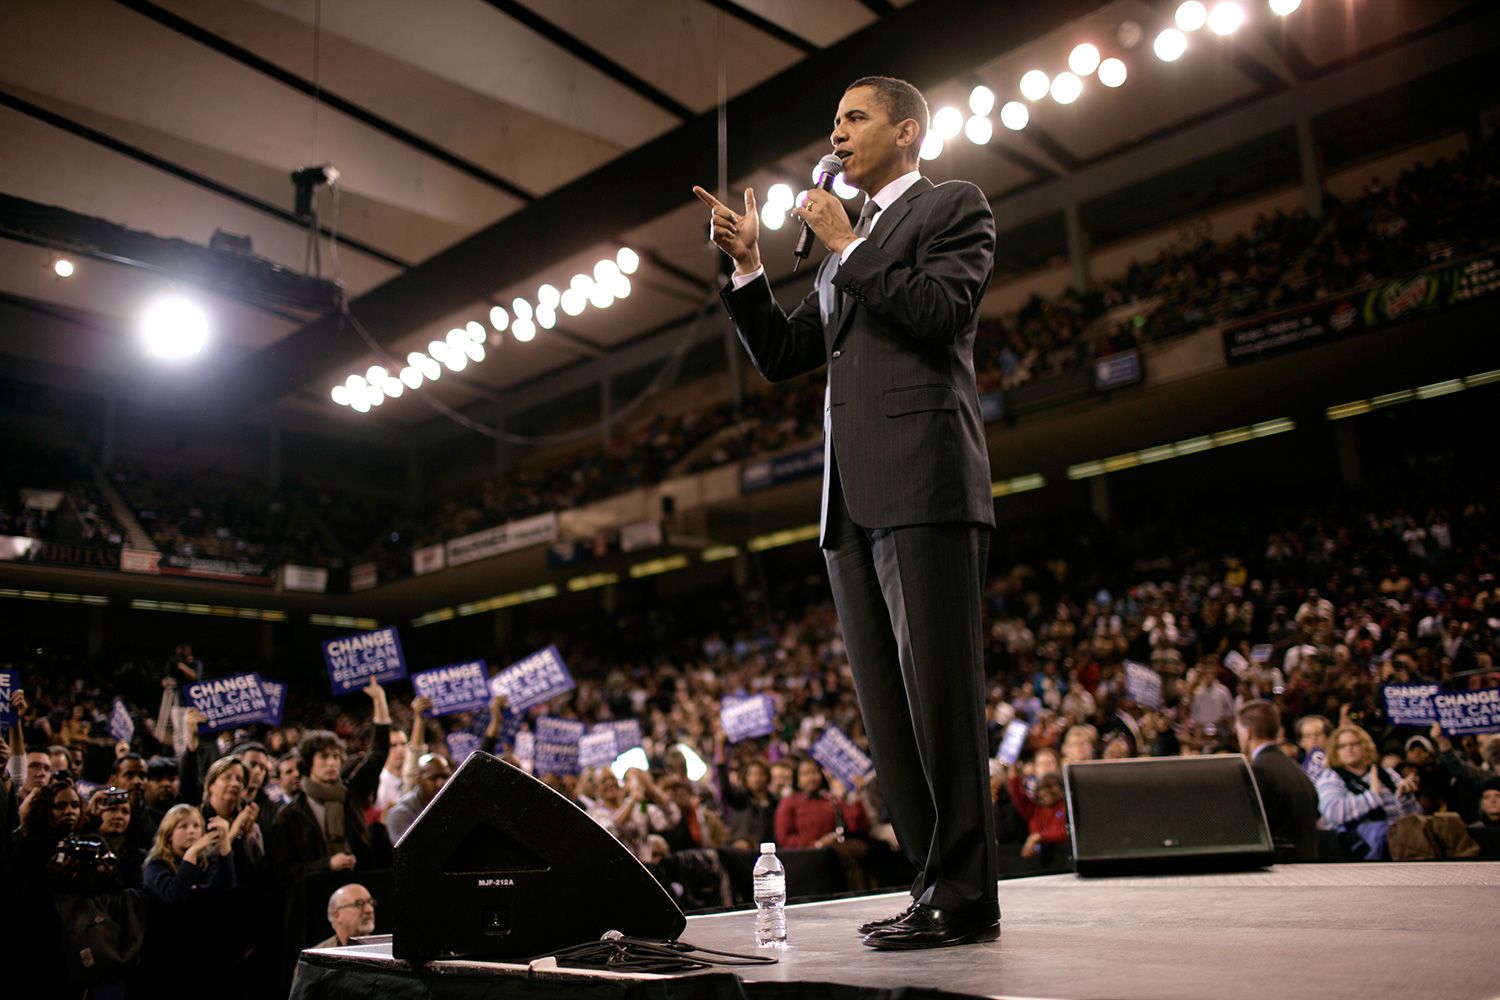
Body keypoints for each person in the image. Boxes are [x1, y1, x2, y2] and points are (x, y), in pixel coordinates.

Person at [695, 72, 999, 950]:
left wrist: (848, 248)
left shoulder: (951, 206)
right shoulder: (843, 236)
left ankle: (971, 893)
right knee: (889, 709)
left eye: (855, 118)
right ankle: (932, 880)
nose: (838, 133)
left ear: (907, 133)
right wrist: (751, 267)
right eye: (833, 121)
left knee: (940, 696)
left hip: (925, 480)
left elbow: (943, 312)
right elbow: (790, 352)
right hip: (850, 500)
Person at [1316, 723, 1419, 860]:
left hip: (1399, 845)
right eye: (1342, 746)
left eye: (1354, 744)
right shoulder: (1330, 777)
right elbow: (1335, 812)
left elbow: (1415, 814)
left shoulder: (1387, 774)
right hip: (1357, 852)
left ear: (1365, 746)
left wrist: (1406, 798)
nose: (1349, 748)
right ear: (1335, 751)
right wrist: (1373, 796)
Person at [1235, 702, 1319, 861]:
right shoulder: (1297, 769)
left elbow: (1245, 828)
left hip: (1282, 873)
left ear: (1248, 733)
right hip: (1306, 868)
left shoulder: (1257, 771)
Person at [385, 751, 451, 843]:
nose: (440, 783)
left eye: (445, 777)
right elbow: (409, 852)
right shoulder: (400, 814)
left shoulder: (452, 803)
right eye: (433, 778)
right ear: (419, 780)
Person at [316, 883, 377, 948]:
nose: (369, 910)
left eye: (371, 902)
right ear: (337, 915)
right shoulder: (317, 955)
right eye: (359, 904)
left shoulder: (385, 951)